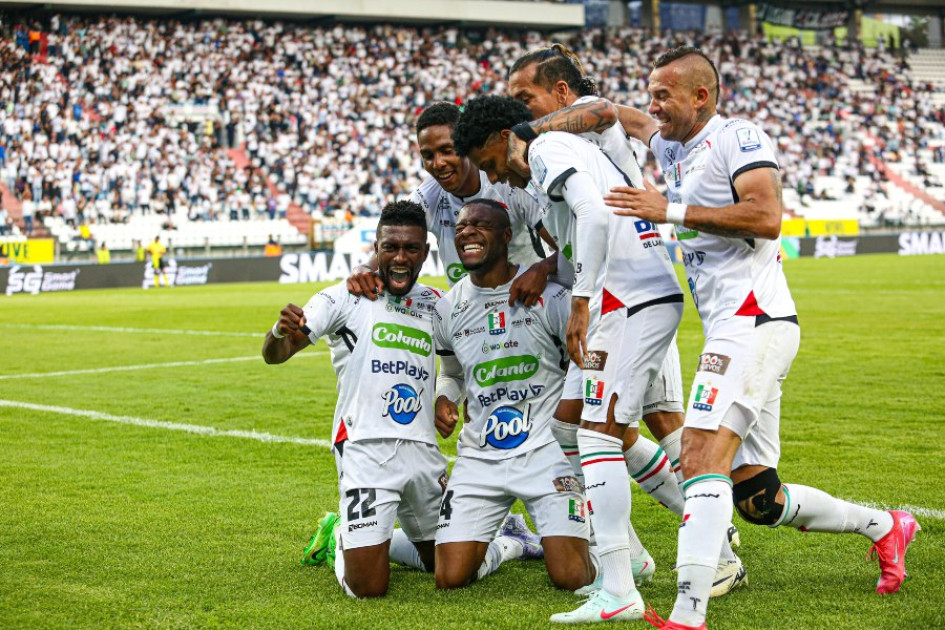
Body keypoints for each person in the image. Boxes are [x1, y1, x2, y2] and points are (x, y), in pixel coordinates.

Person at [602, 47, 920, 629]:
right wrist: (578, 109)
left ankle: (686, 614)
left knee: (698, 456)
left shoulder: (739, 137)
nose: (654, 105)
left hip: (754, 321)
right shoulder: (672, 143)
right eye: (650, 92)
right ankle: (886, 526)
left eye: (664, 94)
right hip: (737, 328)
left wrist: (667, 209)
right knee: (758, 499)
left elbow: (766, 216)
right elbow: (635, 121)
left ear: (702, 97)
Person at [505, 43, 743, 596]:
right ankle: (667, 547)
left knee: (642, 427)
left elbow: (606, 109)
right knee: (613, 428)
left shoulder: (578, 122)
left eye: (527, 97)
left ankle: (711, 542)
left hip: (629, 290)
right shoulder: (564, 138)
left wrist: (527, 130)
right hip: (624, 286)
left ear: (561, 94)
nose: (521, 112)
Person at [453, 96, 685, 623]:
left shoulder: (545, 149)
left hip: (628, 298)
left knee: (597, 436)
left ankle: (624, 585)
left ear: (500, 137)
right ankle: (631, 564)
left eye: (490, 163)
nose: (498, 177)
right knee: (571, 430)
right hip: (632, 294)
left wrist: (581, 300)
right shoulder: (555, 154)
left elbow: (594, 213)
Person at [265, 201, 538, 598]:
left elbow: (455, 370)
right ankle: (342, 533)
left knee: (450, 568)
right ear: (376, 249)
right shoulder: (345, 296)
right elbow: (277, 353)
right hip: (365, 451)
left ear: (424, 254)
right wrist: (277, 331)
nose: (399, 257)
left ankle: (512, 540)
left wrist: (446, 398)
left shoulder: (436, 305)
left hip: (423, 453)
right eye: (390, 247)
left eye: (411, 249)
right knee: (368, 589)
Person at [431, 199, 601, 603]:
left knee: (572, 577)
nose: (467, 231)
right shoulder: (448, 307)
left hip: (545, 452)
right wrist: (443, 398)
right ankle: (511, 544)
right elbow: (451, 372)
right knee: (449, 578)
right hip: (480, 456)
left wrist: (568, 418)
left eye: (479, 225)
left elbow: (585, 358)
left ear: (507, 236)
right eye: (460, 226)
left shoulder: (549, 296)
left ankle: (617, 551)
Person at [346, 102, 551, 303]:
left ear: (465, 145)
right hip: (469, 315)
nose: (438, 163)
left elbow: (564, 248)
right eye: (428, 155)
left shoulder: (505, 180)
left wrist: (542, 268)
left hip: (526, 303)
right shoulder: (426, 198)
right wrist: (364, 268)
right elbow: (393, 244)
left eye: (446, 150)